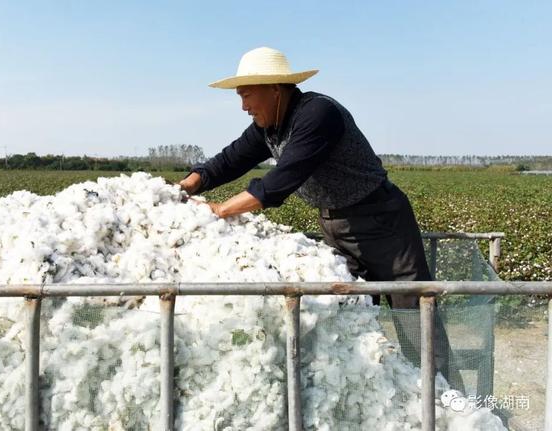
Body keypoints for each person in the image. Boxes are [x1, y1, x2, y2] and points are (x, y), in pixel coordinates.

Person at [180, 47, 461, 386]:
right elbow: (230, 160)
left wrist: (222, 209)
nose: (244, 106)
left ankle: (447, 401)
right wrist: (188, 186)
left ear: (275, 88)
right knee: (353, 314)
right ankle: (378, 393)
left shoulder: (317, 114)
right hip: (337, 227)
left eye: (247, 95)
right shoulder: (267, 127)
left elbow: (283, 178)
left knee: (413, 312)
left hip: (382, 222)